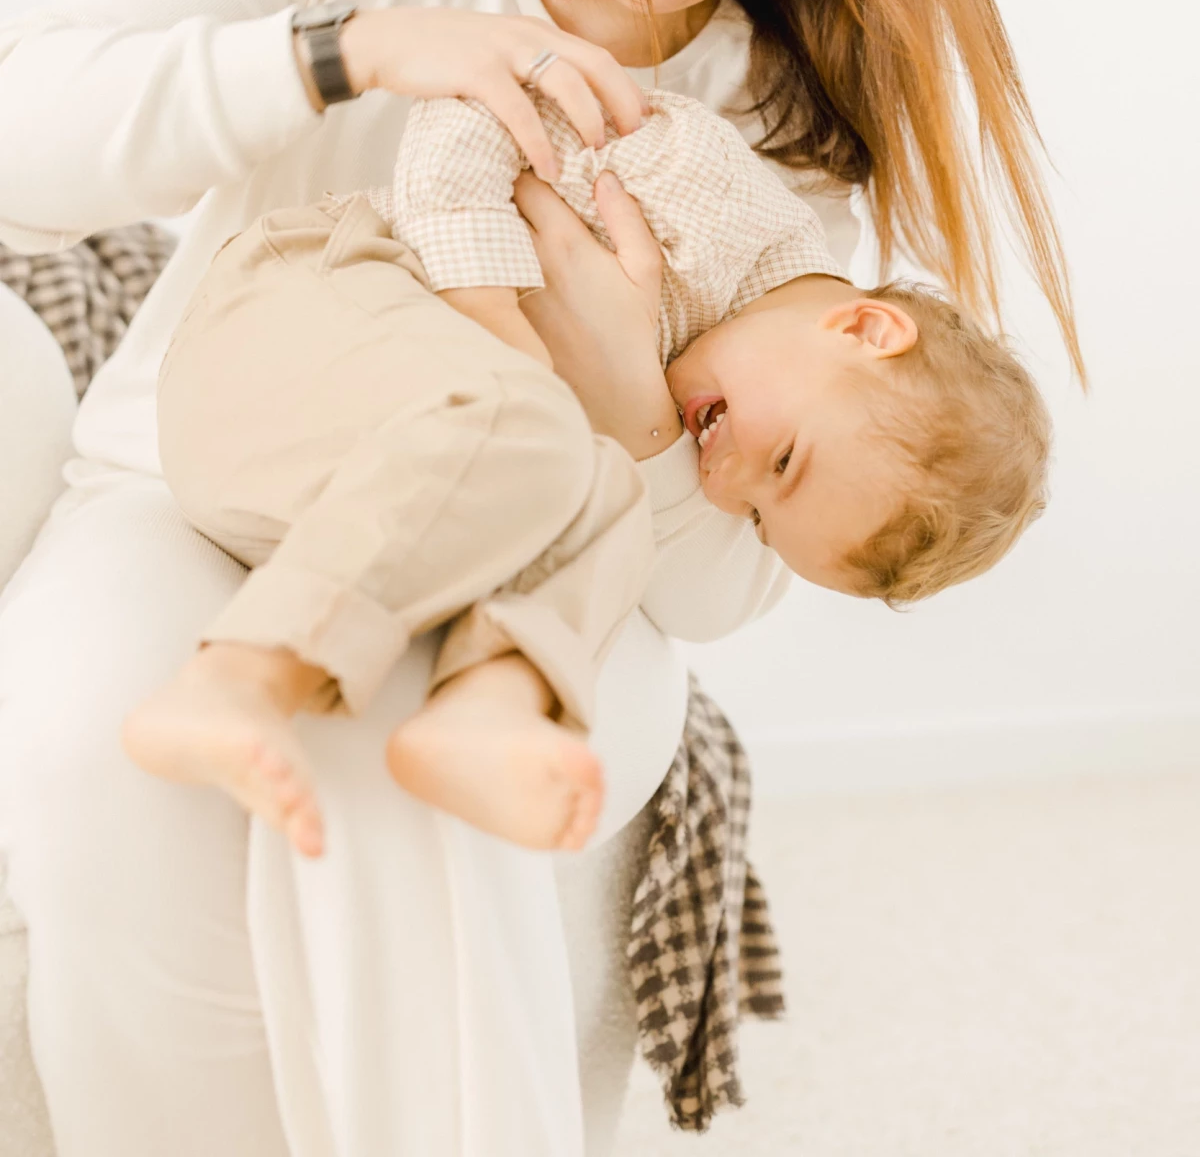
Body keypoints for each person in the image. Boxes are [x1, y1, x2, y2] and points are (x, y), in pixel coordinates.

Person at [0, 0, 1081, 1157]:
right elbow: (18, 136)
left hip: (540, 559)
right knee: (89, 745)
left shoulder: (771, 133)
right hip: (189, 483)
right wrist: (354, 52)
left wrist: (629, 400)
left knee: (410, 793)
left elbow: (721, 582)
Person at [126, 85, 1050, 862]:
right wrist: (486, 304)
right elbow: (473, 111)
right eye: (783, 462)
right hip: (297, 310)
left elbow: (689, 572)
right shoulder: (709, 191)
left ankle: (487, 707)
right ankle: (236, 683)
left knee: (606, 492)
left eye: (757, 519)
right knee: (538, 431)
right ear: (862, 328)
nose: (724, 487)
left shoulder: (679, 418)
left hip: (313, 473)